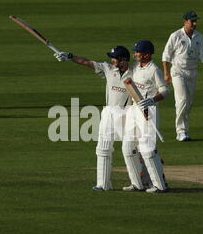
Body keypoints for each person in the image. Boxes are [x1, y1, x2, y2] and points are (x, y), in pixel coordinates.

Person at [54, 47, 151, 191]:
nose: (112, 60)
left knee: (131, 150)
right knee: (103, 148)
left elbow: (147, 75)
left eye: (114, 58)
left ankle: (141, 182)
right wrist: (69, 56)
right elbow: (86, 62)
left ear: (123, 60)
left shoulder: (135, 72)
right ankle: (103, 184)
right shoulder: (108, 69)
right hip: (108, 112)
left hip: (127, 113)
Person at [122, 40, 170, 193]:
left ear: (147, 55)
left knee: (147, 150)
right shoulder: (135, 67)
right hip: (134, 110)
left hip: (148, 111)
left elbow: (165, 90)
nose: (135, 54)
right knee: (128, 147)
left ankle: (159, 185)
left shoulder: (154, 70)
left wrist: (152, 99)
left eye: (138, 52)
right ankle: (137, 183)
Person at [162, 10, 203, 142]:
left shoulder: (199, 36)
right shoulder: (175, 35)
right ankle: (180, 131)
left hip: (192, 72)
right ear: (185, 22)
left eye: (196, 21)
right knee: (182, 100)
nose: (194, 23)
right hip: (178, 71)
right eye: (192, 21)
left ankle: (185, 131)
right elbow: (166, 55)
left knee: (188, 103)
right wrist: (166, 73)